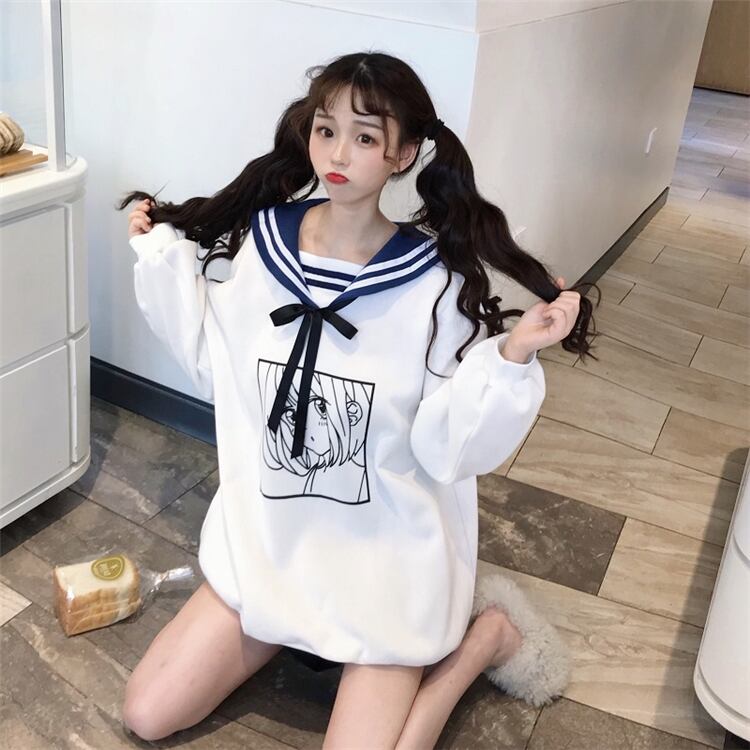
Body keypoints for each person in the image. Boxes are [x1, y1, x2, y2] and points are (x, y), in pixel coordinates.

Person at [116, 50, 597, 748]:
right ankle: (294, 624)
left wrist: (513, 354)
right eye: (326, 130)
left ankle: (483, 639)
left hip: (385, 567)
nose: (338, 154)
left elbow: (447, 448)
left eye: (365, 137)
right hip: (272, 544)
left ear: (402, 155)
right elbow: (213, 362)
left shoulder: (432, 282)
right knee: (147, 712)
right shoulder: (262, 244)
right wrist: (160, 249)